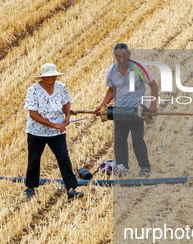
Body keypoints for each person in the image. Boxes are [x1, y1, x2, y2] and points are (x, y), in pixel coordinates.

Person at [95, 42, 159, 175]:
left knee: (137, 139)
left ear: (129, 54)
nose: (122, 59)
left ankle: (145, 167)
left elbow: (153, 85)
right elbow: (111, 90)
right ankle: (122, 167)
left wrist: (153, 105)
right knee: (119, 139)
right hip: (119, 111)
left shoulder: (139, 68)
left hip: (136, 111)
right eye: (118, 57)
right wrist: (102, 106)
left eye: (124, 56)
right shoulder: (112, 70)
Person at [23, 63, 83, 200]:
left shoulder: (61, 87)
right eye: (48, 76)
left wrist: (67, 116)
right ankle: (30, 187)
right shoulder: (33, 90)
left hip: (57, 131)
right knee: (34, 158)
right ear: (42, 77)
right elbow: (33, 114)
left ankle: (71, 189)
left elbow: (66, 102)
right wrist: (53, 125)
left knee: (63, 158)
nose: (51, 78)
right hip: (36, 131)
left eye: (53, 75)